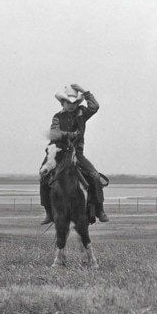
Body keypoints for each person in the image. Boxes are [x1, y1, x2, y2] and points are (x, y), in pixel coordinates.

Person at [39, 83, 109, 224]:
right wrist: (71, 135)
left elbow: (95, 107)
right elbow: (55, 133)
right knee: (43, 175)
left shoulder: (82, 113)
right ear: (62, 102)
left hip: (77, 153)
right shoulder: (57, 117)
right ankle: (48, 211)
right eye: (68, 102)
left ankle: (100, 209)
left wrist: (84, 91)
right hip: (59, 152)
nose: (71, 105)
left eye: (75, 102)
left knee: (95, 176)